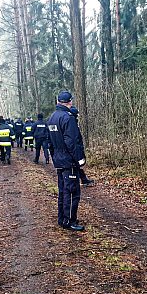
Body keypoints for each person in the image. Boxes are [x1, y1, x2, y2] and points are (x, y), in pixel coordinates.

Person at [47, 90, 86, 232]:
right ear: (69, 102)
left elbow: (49, 142)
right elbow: (72, 142)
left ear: (58, 101)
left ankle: (62, 218)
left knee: (63, 191)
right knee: (71, 192)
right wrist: (80, 160)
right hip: (69, 161)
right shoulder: (67, 118)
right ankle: (70, 220)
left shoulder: (52, 118)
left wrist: (54, 157)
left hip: (59, 160)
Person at [69, 106, 95, 187]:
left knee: (77, 166)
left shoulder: (73, 121)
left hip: (74, 149)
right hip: (72, 150)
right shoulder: (71, 122)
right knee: (75, 166)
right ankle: (82, 180)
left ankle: (84, 179)